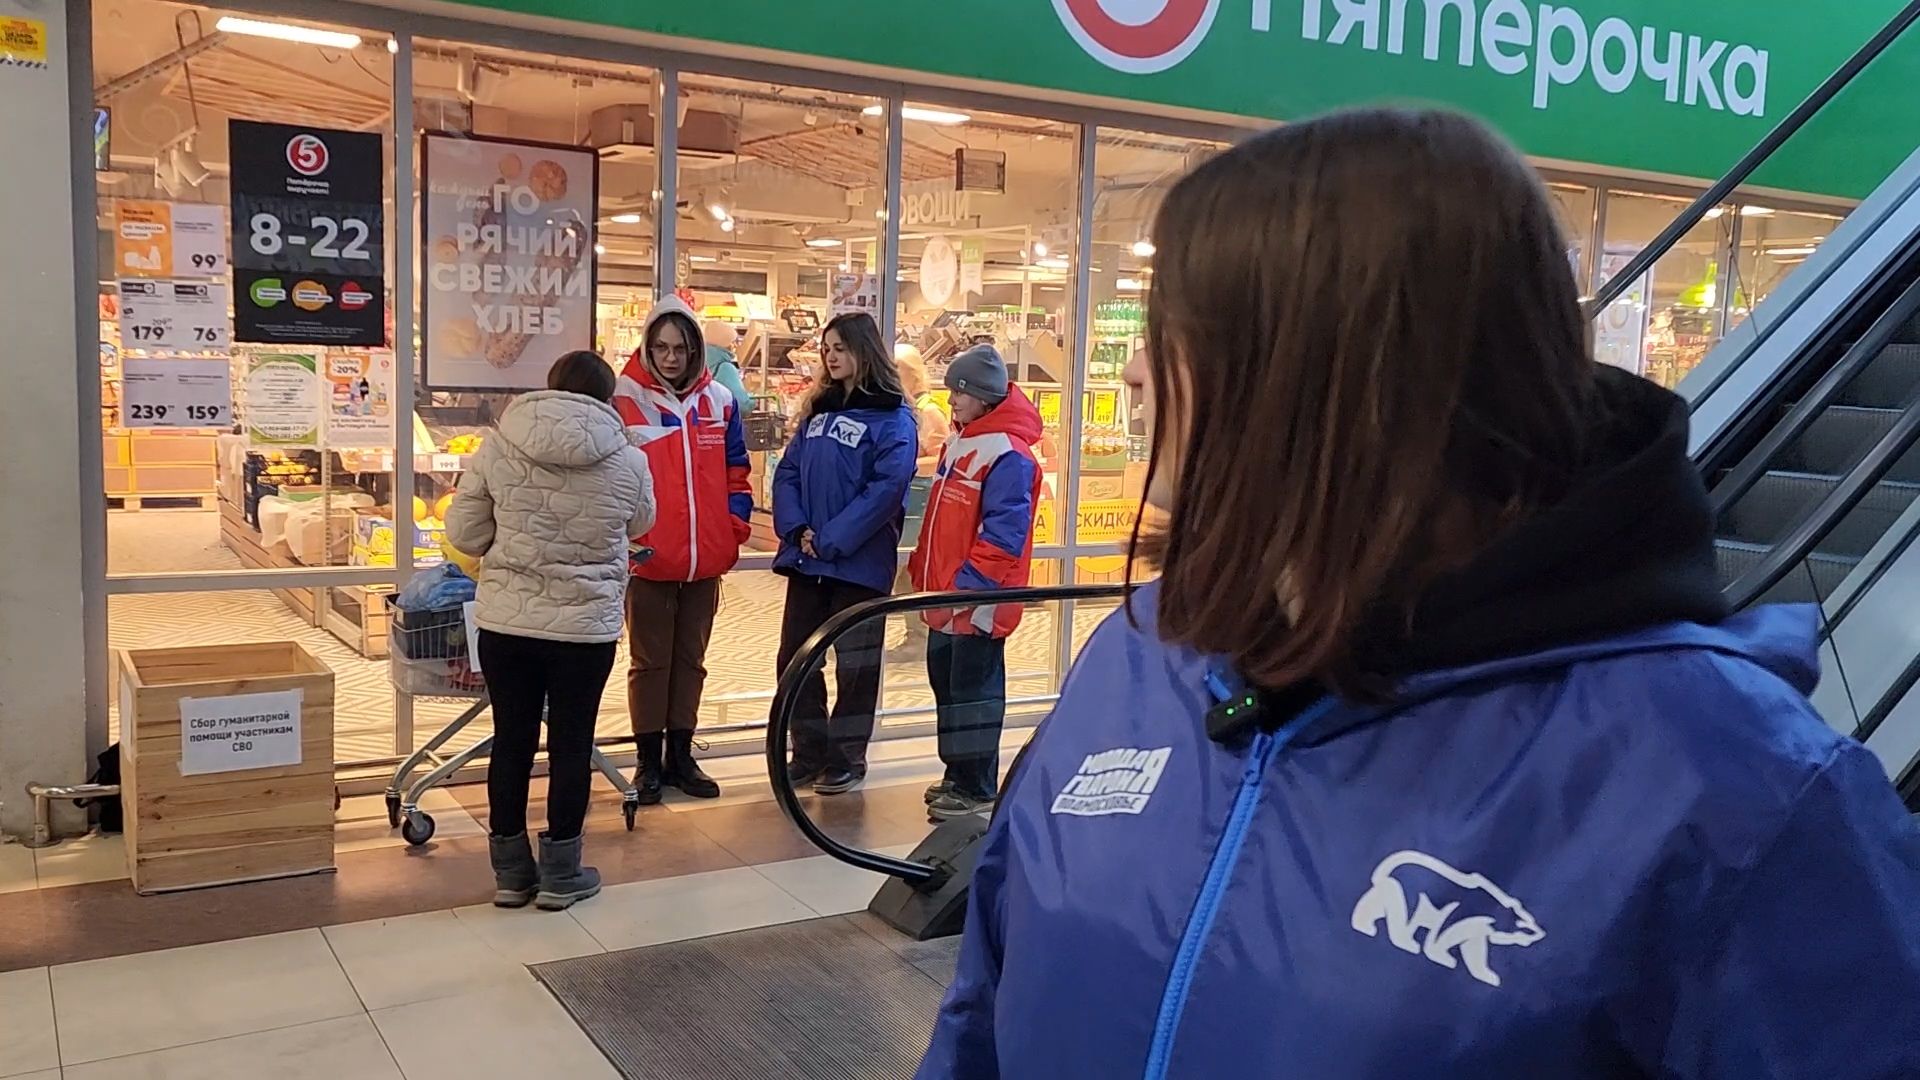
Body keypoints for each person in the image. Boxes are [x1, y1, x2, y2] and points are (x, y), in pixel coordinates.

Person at [920, 109, 1920, 1078]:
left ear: (1344, 367)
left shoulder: (1737, 789)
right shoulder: (1142, 652)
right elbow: (983, 1013)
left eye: (1181, 327)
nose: (1134, 370)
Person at [446, 351, 655, 912]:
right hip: (585, 628)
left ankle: (511, 874)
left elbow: (464, 533)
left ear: (550, 387)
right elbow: (642, 523)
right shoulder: (628, 459)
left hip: (508, 625)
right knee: (571, 743)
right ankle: (562, 872)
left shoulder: (499, 445)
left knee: (512, 740)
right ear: (606, 398)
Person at [613, 298, 753, 802]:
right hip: (647, 559)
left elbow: (737, 471)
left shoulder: (720, 400)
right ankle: (648, 762)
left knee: (691, 661)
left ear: (696, 351)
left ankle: (681, 756)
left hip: (705, 558)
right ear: (648, 348)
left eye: (681, 348)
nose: (671, 358)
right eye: (662, 348)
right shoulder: (622, 398)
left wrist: (734, 525)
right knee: (650, 662)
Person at [774, 311, 916, 795]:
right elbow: (788, 472)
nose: (831, 357)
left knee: (855, 664)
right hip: (808, 559)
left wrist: (832, 538)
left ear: (864, 351)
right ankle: (807, 750)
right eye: (826, 349)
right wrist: (797, 530)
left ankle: (846, 756)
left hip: (858, 563)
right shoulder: (818, 412)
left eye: (840, 348)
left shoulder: (894, 418)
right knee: (796, 658)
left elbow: (886, 489)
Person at [906, 345, 1041, 819]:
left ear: (983, 396)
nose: (951, 401)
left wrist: (969, 586)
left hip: (976, 603)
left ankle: (977, 784)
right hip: (946, 597)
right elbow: (940, 520)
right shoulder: (962, 441)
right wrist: (922, 567)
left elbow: (1005, 533)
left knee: (975, 696)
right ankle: (956, 774)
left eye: (959, 392)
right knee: (947, 686)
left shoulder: (1009, 454)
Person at [890, 344, 952, 660]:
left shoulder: (928, 411)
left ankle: (919, 635)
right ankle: (915, 635)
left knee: (908, 571)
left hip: (919, 500)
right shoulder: (907, 408)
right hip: (907, 499)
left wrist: (905, 465)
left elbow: (941, 458)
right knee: (902, 573)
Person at [701, 317, 752, 414]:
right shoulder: (725, 368)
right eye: (733, 342)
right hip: (721, 423)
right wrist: (753, 402)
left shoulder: (699, 363)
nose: (735, 346)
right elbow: (741, 405)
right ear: (727, 343)